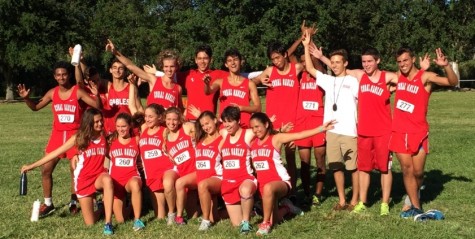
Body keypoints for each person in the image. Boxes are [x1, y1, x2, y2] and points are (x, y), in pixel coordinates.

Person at [17, 61, 102, 217]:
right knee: (46, 169)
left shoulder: (77, 92)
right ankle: (48, 204)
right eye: (58, 75)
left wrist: (96, 95)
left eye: (64, 74)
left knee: (75, 169)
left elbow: (96, 106)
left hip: (75, 135)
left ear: (69, 75)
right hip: (57, 135)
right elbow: (35, 107)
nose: (61, 77)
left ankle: (74, 200)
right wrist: (27, 98)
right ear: (54, 77)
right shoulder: (52, 93)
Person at [21, 108, 115, 235]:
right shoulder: (79, 137)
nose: (100, 124)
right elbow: (56, 152)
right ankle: (101, 207)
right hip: (84, 180)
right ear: (89, 123)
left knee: (107, 180)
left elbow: (111, 154)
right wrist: (32, 166)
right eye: (96, 122)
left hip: (99, 177)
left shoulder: (104, 136)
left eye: (101, 121)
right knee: (90, 223)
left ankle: (108, 223)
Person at [390, 47, 458, 218]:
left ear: (413, 59)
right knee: (407, 169)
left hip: (418, 132)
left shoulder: (425, 77)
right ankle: (415, 206)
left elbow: (452, 81)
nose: (402, 64)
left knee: (418, 172)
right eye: (399, 62)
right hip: (399, 131)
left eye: (405, 60)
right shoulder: (397, 77)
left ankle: (414, 193)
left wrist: (446, 65)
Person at [249, 112, 335, 236]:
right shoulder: (253, 144)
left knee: (268, 192)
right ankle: (287, 208)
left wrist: (321, 128)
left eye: (257, 126)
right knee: (276, 220)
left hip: (280, 183)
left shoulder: (276, 138)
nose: (255, 130)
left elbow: (299, 135)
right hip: (264, 187)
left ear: (266, 124)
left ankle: (265, 223)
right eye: (252, 128)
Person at [302, 31, 360, 211]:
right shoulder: (327, 80)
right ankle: (342, 200)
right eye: (332, 62)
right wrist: (306, 47)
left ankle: (354, 200)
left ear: (346, 63)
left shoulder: (353, 81)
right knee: (336, 166)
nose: (334, 65)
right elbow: (311, 69)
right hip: (332, 130)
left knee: (353, 168)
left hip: (350, 130)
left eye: (338, 62)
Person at [251, 41, 305, 199]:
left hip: (290, 122)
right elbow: (251, 83)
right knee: (267, 157)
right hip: (272, 122)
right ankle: (264, 190)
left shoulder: (296, 68)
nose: (276, 61)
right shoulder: (269, 71)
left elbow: (307, 63)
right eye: (273, 59)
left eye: (278, 57)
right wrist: (261, 81)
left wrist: (303, 40)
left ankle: (292, 192)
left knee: (290, 157)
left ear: (285, 55)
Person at [106, 39, 184, 110]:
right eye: (166, 66)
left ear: (177, 67)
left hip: (166, 125)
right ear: (162, 67)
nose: (169, 70)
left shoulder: (178, 88)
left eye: (172, 66)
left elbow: (180, 110)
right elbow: (131, 66)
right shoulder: (154, 80)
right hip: (151, 124)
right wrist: (115, 52)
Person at [218, 106, 257, 234]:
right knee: (236, 225)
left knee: (245, 191)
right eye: (224, 121)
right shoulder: (223, 133)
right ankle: (255, 210)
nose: (227, 125)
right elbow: (208, 124)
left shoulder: (248, 134)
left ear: (238, 121)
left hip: (245, 178)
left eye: (230, 121)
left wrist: (278, 130)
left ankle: (246, 222)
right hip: (228, 183)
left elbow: (263, 130)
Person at [204, 48, 261, 128]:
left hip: (243, 126)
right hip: (225, 127)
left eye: (235, 59)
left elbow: (258, 108)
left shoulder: (249, 84)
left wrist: (241, 108)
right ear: (226, 64)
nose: (233, 63)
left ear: (241, 62)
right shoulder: (220, 82)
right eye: (229, 60)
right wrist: (206, 84)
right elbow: (208, 91)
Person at [107, 113, 145, 231]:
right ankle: (133, 205)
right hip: (116, 181)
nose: (120, 129)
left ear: (129, 126)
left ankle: (137, 219)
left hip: (131, 177)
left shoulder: (136, 140)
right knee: (121, 220)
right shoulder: (110, 141)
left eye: (123, 126)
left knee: (134, 184)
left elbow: (142, 158)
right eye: (118, 126)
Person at [138, 104, 174, 220]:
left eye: (150, 117)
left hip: (165, 169)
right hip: (150, 172)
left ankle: (173, 212)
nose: (147, 119)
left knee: (167, 209)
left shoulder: (165, 131)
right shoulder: (144, 128)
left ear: (159, 117)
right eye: (146, 116)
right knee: (159, 216)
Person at [163, 107, 198, 225]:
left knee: (193, 215)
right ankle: (172, 215)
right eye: (168, 119)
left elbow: (201, 129)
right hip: (180, 169)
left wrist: (199, 118)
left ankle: (179, 216)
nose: (171, 123)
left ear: (179, 120)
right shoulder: (165, 134)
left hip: (194, 170)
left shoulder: (186, 127)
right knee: (168, 182)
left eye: (174, 120)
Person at [194, 111, 223, 231]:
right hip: (202, 176)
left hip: (217, 177)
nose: (205, 127)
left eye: (207, 123)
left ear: (215, 120)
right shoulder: (200, 139)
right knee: (214, 217)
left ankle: (205, 221)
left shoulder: (223, 138)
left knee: (203, 185)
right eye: (203, 125)